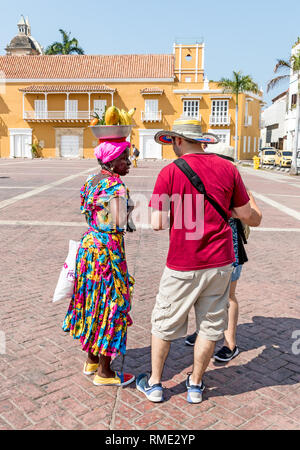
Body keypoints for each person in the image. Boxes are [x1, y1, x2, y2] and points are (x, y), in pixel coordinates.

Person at [135, 118, 262, 404]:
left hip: (183, 261)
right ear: (202, 141)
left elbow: (157, 222)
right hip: (220, 262)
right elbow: (245, 213)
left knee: (164, 323)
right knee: (209, 325)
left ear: (178, 140)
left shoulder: (170, 172)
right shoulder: (228, 168)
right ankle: (195, 384)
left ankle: (155, 383)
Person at [62, 139, 136, 387]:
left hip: (89, 247)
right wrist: (130, 208)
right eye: (125, 159)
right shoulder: (116, 185)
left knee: (93, 303)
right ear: (112, 161)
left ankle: (92, 359)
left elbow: (88, 211)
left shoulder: (89, 181)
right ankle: (104, 373)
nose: (128, 163)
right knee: (112, 304)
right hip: (108, 253)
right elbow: (119, 220)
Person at [185, 145, 262, 363]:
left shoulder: (240, 188)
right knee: (202, 293)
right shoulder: (201, 183)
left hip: (230, 250)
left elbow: (256, 218)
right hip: (204, 248)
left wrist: (235, 210)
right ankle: (204, 332)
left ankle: (230, 344)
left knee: (228, 295)